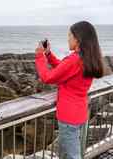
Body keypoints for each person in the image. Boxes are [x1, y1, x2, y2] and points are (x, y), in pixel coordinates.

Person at [34, 21, 105, 159]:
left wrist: (39, 56)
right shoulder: (86, 58)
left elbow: (48, 77)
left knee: (72, 156)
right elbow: (64, 68)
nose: (68, 39)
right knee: (67, 154)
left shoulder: (74, 60)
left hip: (68, 118)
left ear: (77, 39)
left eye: (69, 36)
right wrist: (48, 55)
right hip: (80, 114)